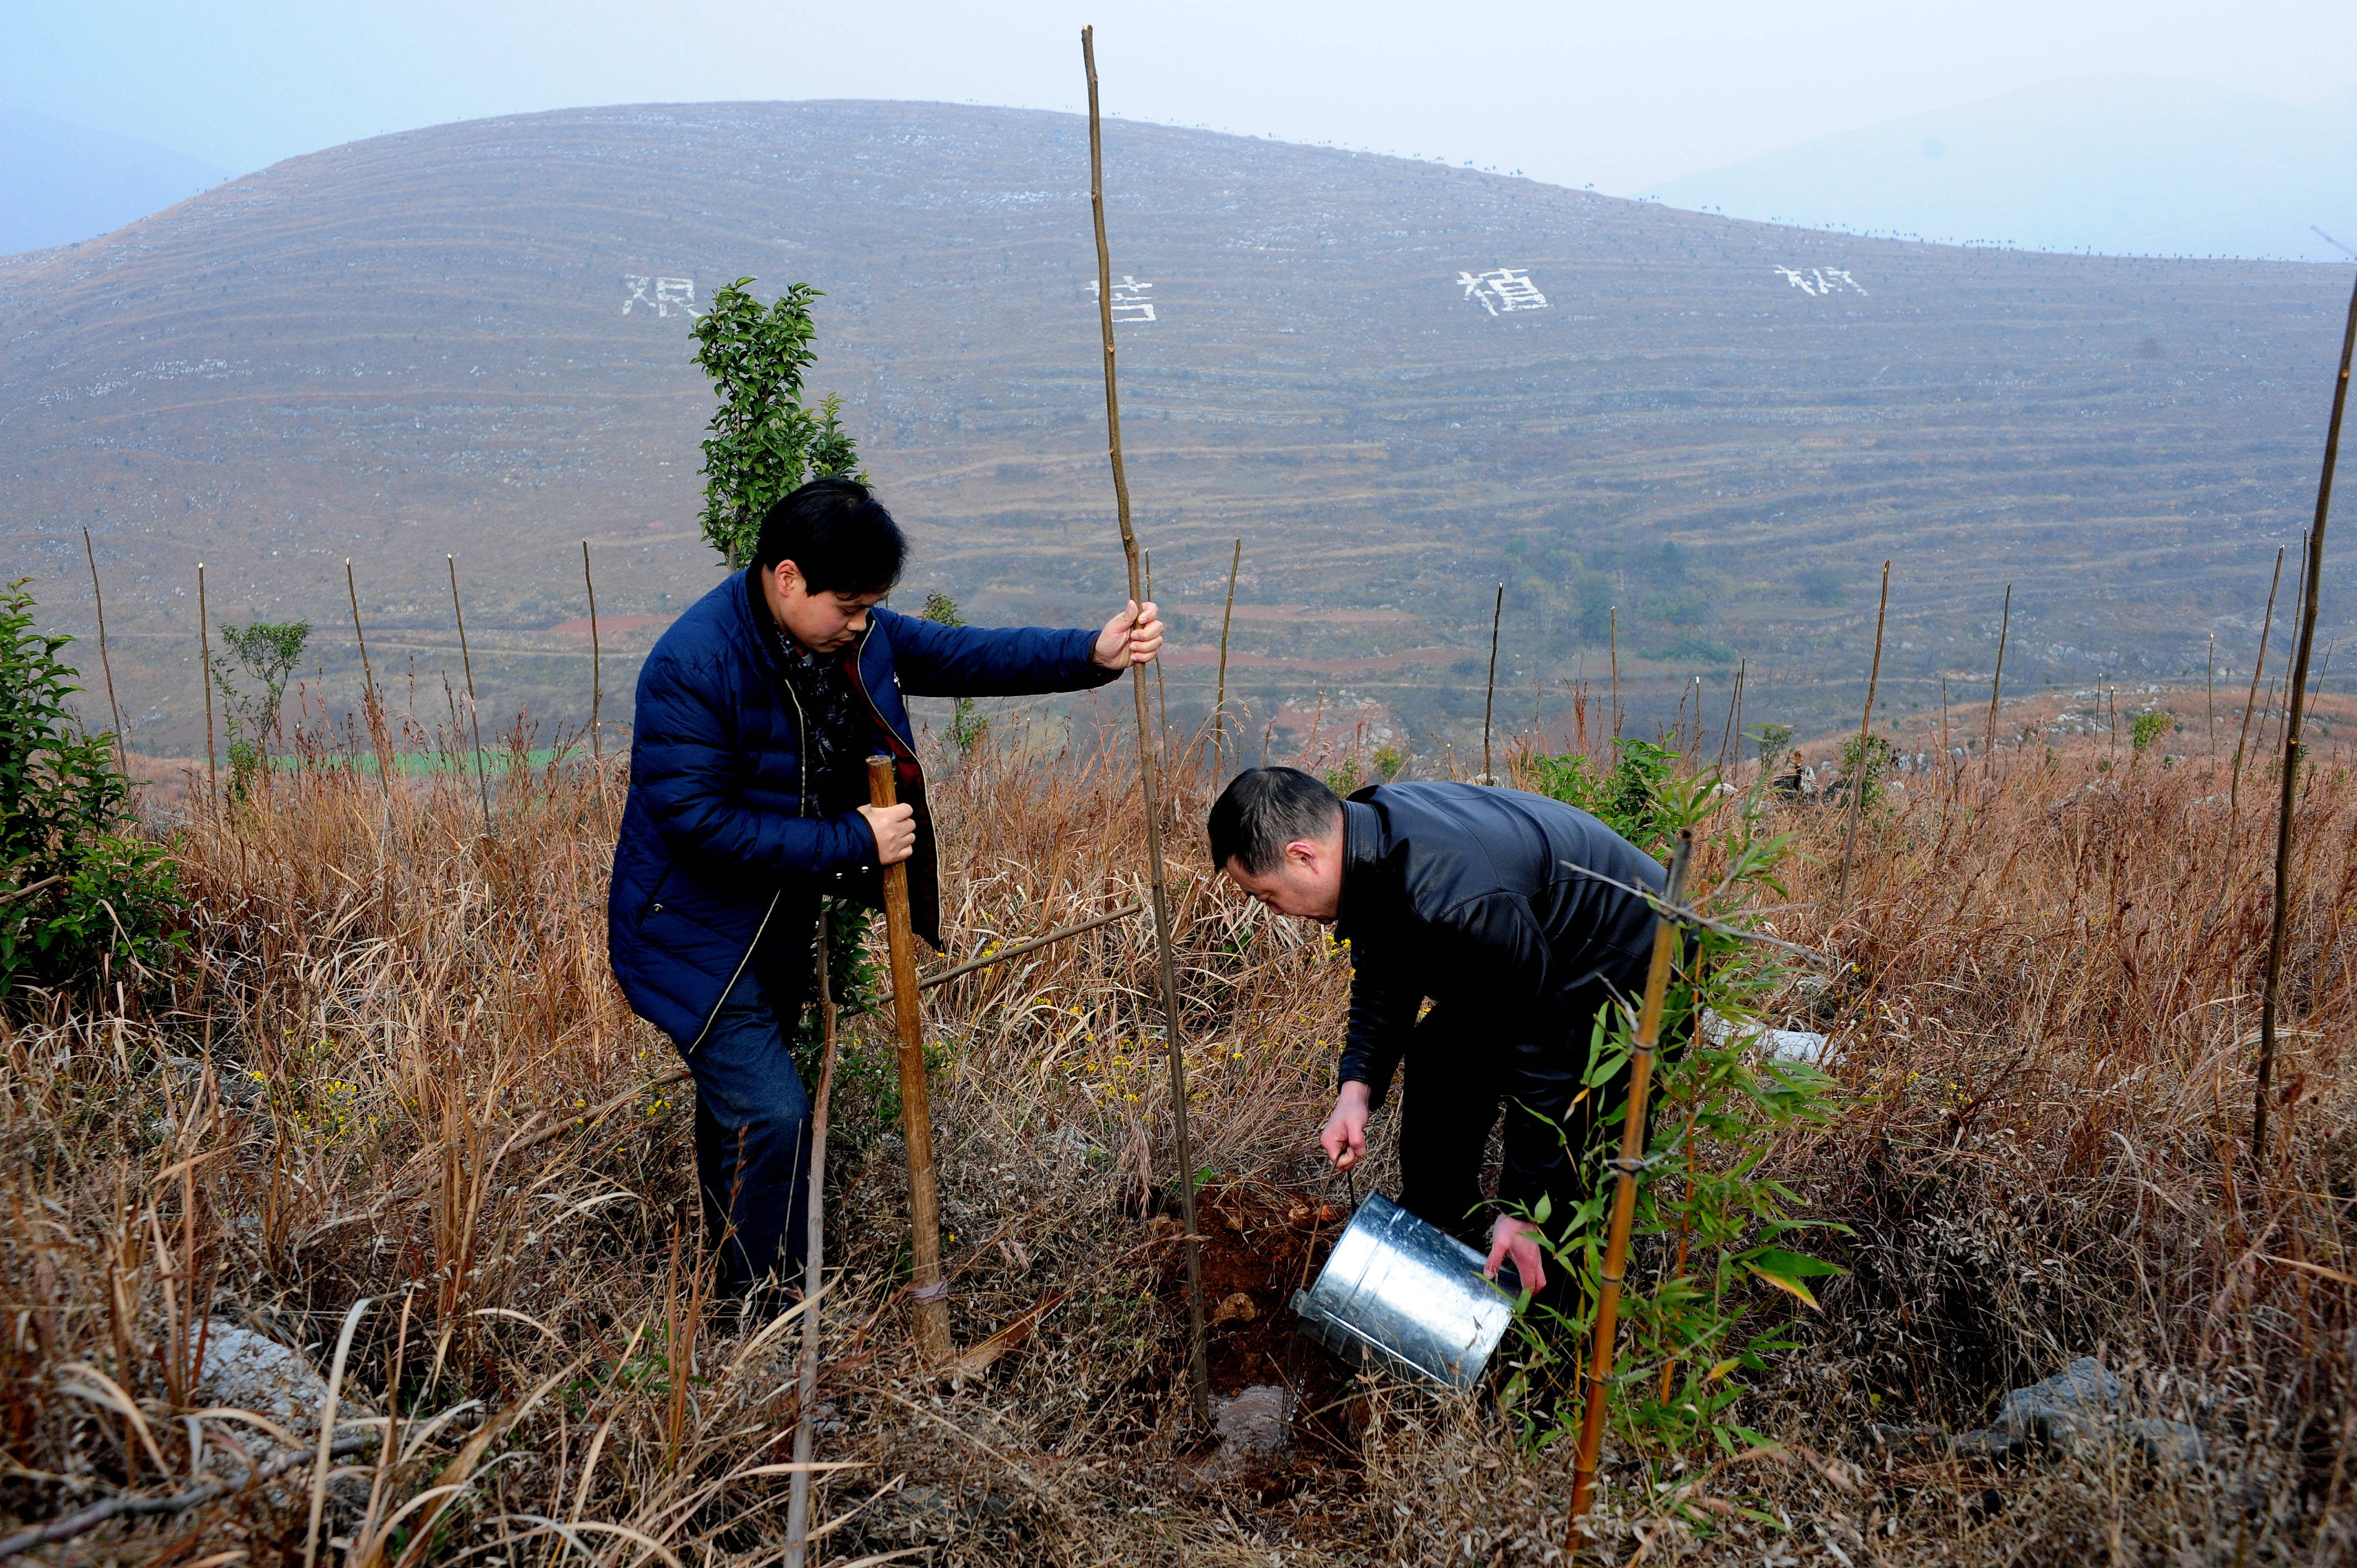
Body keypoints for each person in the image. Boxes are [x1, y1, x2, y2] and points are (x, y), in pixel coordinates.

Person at [608, 476, 1163, 1306]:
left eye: (874, 607)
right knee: (773, 1113)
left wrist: (1091, 653)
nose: (865, 623)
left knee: (745, 1114)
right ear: (786, 577)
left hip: (774, 923)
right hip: (693, 936)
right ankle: (764, 1319)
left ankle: (740, 1277)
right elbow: (696, 824)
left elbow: (962, 653)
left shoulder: (844, 635)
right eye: (852, 605)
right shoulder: (693, 666)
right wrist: (853, 841)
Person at [1208, 767, 1665, 1296]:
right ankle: (1444, 1223)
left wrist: (1524, 1208)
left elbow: (1545, 1058)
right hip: (1539, 955)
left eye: (1267, 896)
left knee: (1582, 1151)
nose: (1276, 912)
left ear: (1303, 856)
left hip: (1636, 964)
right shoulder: (1369, 837)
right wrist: (1356, 1091)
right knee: (1442, 1055)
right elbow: (1384, 973)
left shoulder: (1456, 898)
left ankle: (1555, 1331)